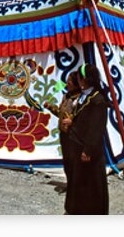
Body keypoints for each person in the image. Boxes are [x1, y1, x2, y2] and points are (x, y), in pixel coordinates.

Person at [63, 63, 110, 215]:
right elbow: (82, 118)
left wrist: (88, 149)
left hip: (87, 149)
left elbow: (96, 127)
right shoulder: (85, 96)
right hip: (76, 144)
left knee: (91, 183)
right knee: (79, 181)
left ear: (84, 80)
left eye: (78, 78)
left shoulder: (98, 100)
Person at [44, 70, 81, 211]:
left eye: (70, 82)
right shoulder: (67, 96)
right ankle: (71, 184)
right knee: (67, 161)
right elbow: (60, 113)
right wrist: (50, 107)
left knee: (74, 161)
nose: (67, 84)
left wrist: (73, 121)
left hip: (74, 135)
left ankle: (76, 187)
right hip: (64, 134)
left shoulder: (81, 99)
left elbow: (82, 117)